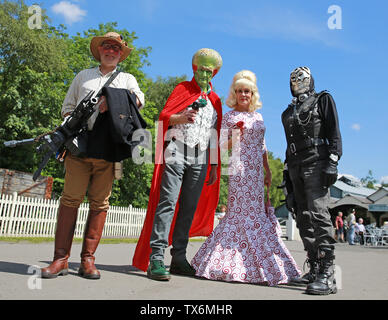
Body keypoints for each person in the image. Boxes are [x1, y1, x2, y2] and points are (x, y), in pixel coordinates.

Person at [41, 32, 145, 280]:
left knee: (100, 204)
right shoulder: (83, 76)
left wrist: (112, 99)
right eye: (107, 47)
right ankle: (61, 259)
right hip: (80, 146)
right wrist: (70, 126)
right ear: (99, 51)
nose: (111, 51)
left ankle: (87, 260)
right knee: (70, 200)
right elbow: (66, 109)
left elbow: (138, 101)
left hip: (108, 148)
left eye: (116, 48)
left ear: (121, 54)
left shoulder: (128, 79)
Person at [191, 70, 301, 286]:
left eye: (247, 91)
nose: (243, 95)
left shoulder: (258, 116)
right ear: (235, 93)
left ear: (253, 94)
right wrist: (234, 137)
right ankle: (229, 264)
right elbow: (220, 146)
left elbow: (262, 146)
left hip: (256, 172)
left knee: (257, 213)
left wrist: (268, 170)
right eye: (240, 91)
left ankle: (259, 264)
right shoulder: (230, 116)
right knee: (240, 214)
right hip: (239, 169)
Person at [132, 48, 223, 281]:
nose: (204, 73)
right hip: (177, 149)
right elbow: (163, 117)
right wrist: (181, 117)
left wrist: (213, 165)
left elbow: (215, 133)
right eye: (201, 69)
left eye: (209, 70)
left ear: (214, 73)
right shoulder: (183, 89)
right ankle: (157, 258)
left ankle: (179, 258)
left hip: (201, 156)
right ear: (195, 69)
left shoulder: (215, 100)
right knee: (168, 201)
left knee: (189, 207)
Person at [281, 66, 342, 295]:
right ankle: (315, 267)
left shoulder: (323, 100)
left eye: (303, 78)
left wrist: (333, 161)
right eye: (294, 79)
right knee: (302, 215)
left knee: (318, 211)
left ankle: (328, 274)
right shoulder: (287, 112)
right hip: (295, 164)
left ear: (311, 80)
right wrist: (286, 175)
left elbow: (334, 132)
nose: (298, 82)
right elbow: (288, 145)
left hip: (317, 160)